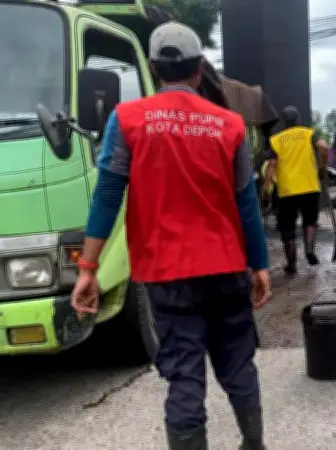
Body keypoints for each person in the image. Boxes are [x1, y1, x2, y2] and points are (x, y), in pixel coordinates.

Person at [69, 22, 271, 450]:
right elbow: (246, 205)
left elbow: (107, 194)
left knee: (184, 374)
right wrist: (261, 266)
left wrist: (88, 268)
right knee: (237, 365)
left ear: (154, 68)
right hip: (226, 267)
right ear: (200, 69)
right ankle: (254, 445)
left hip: (166, 273)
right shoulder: (230, 125)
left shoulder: (127, 120)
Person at [263, 106, 329, 275]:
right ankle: (309, 250)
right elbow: (323, 147)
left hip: (287, 190)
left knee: (287, 228)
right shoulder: (308, 133)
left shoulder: (276, 139)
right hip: (309, 187)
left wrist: (266, 187)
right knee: (309, 221)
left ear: (284, 121)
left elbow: (271, 164)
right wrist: (322, 168)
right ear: (298, 118)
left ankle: (292, 265)